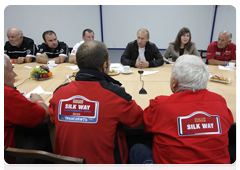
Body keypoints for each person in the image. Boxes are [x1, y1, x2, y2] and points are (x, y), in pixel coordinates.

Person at [49, 40, 143, 170]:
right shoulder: (115, 95)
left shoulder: (59, 94)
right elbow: (138, 120)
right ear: (104, 66)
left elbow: (52, 117)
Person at [130, 54, 233, 170]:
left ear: (174, 82)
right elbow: (228, 123)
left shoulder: (161, 105)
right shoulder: (220, 102)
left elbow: (145, 123)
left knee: (136, 150)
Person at [4, 54, 52, 168]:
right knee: (48, 132)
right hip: (7, 161)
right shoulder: (6, 95)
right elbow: (45, 115)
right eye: (11, 71)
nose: (15, 75)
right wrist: (39, 101)